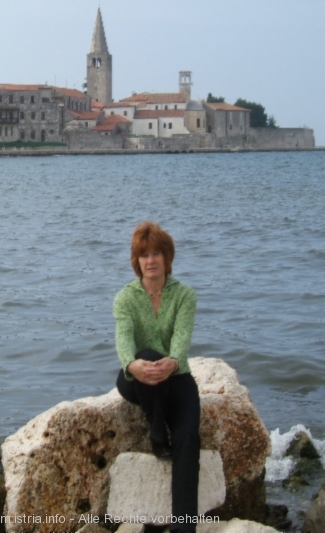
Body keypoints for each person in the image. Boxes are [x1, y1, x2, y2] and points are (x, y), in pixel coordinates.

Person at [113, 221, 201, 533]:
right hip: (137, 379)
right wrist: (131, 363)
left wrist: (173, 362)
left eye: (157, 254)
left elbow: (181, 341)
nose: (150, 260)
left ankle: (183, 527)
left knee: (189, 436)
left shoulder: (185, 295)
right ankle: (157, 429)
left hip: (175, 377)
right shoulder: (125, 298)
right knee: (146, 355)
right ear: (136, 261)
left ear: (167, 257)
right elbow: (124, 340)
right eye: (144, 255)